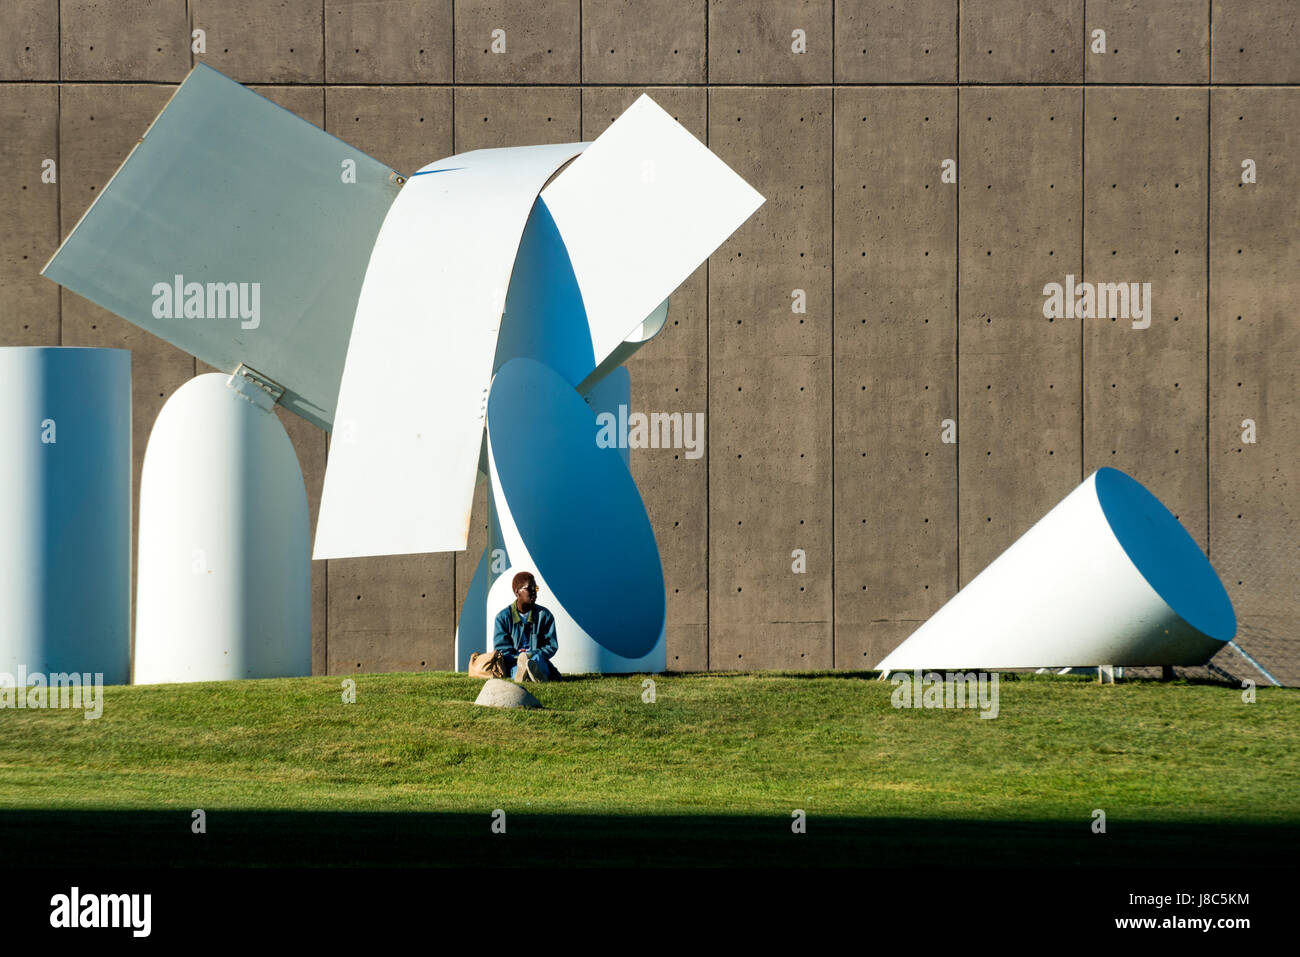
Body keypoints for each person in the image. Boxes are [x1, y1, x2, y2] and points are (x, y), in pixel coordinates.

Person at [493, 571, 561, 682]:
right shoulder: (503, 617)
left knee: (537, 660)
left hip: (537, 659)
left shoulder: (545, 615)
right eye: (530, 588)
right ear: (517, 592)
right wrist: (520, 658)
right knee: (516, 668)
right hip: (515, 662)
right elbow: (502, 649)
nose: (534, 592)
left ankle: (530, 673)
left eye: (536, 588)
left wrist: (530, 656)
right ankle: (529, 674)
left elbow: (551, 645)